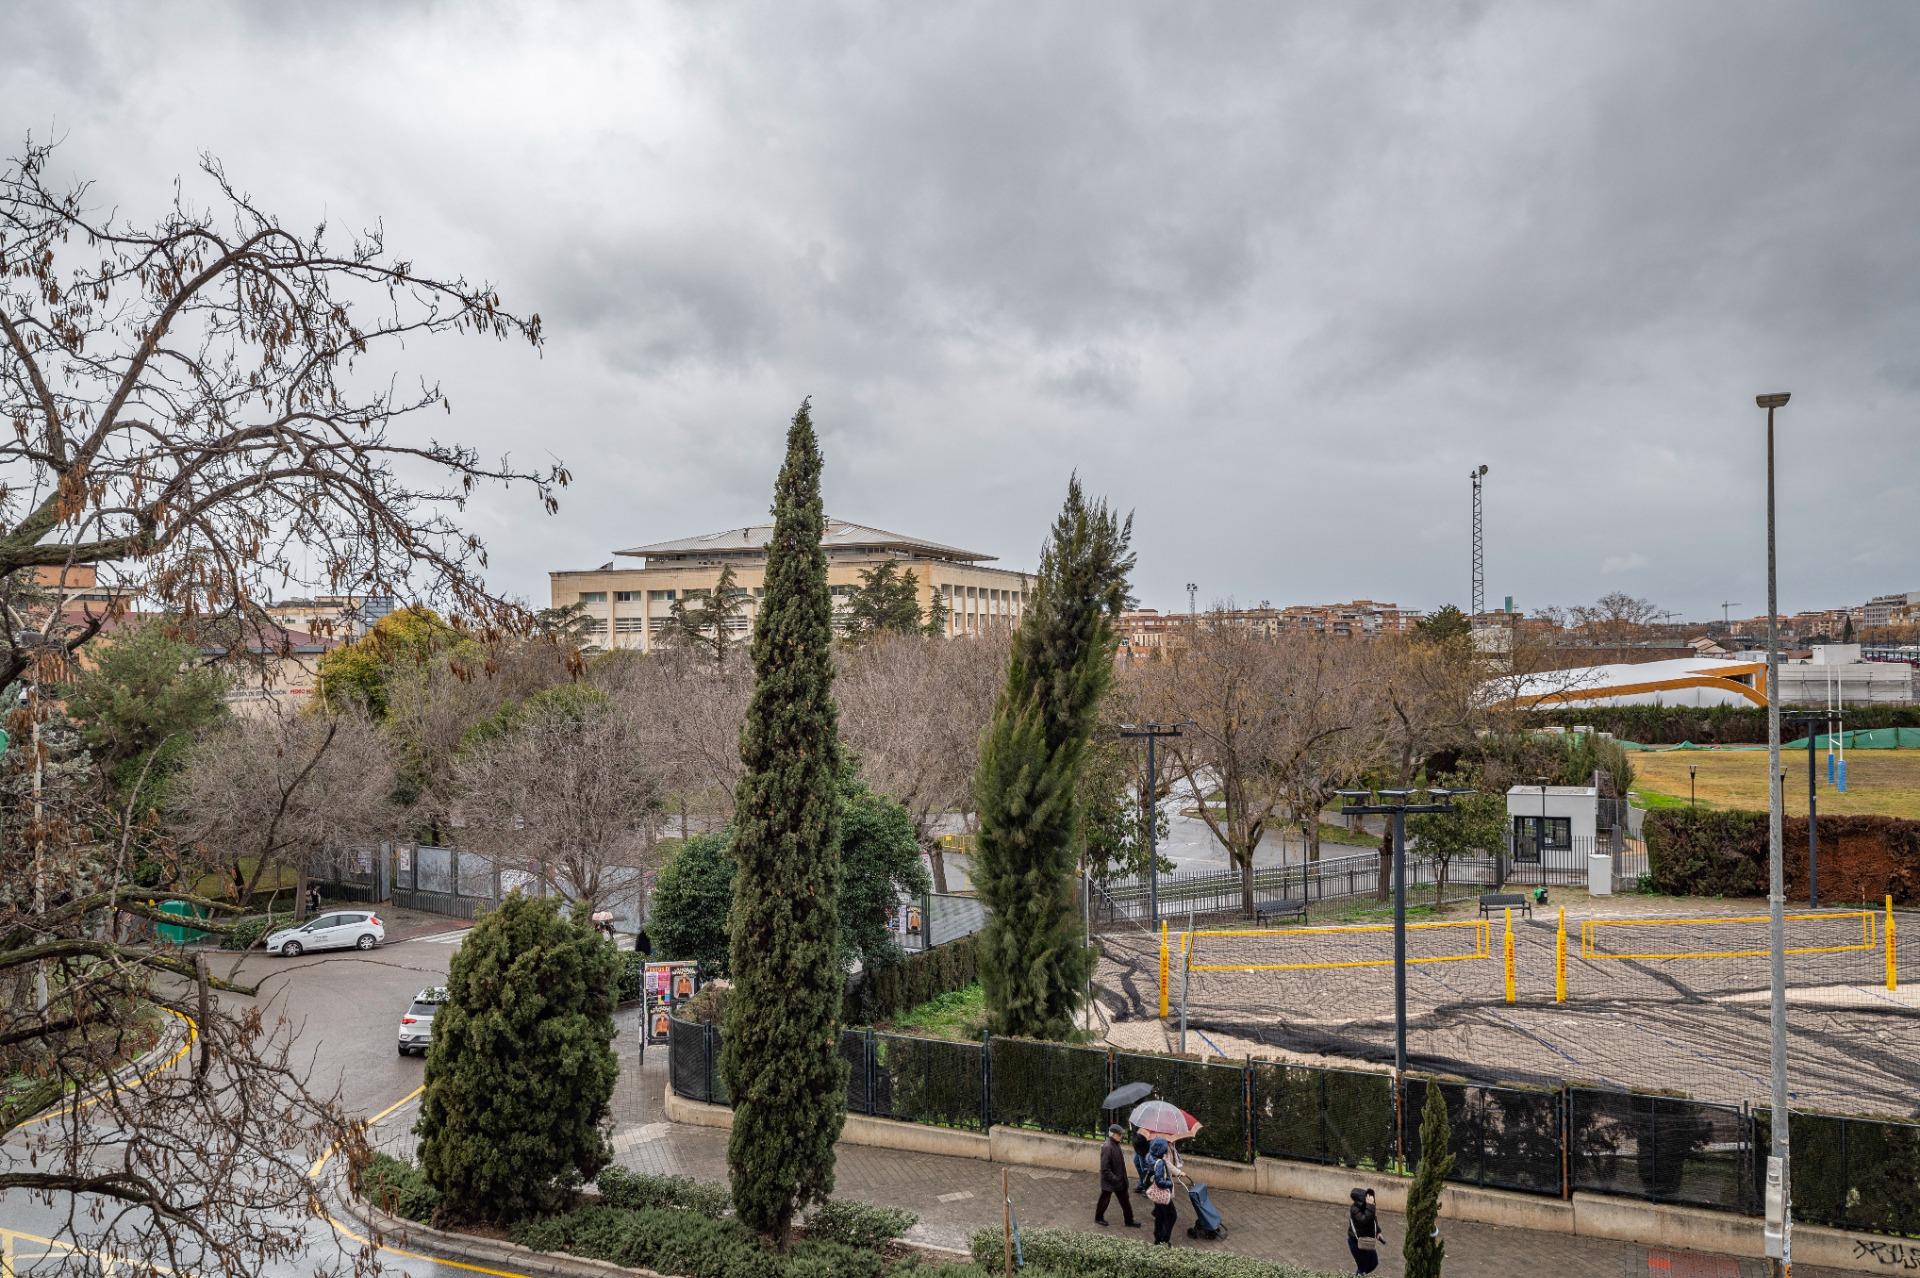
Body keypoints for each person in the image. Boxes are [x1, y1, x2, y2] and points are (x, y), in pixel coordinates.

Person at [1094, 1124, 1140, 1228]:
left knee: (1125, 1201)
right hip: (1110, 1182)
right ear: (1113, 1135)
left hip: (1119, 1181)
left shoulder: (1115, 1143)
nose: (1121, 1136)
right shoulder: (1107, 1147)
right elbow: (1105, 1169)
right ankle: (1098, 1218)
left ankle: (1129, 1221)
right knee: (1104, 1201)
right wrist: (1115, 1179)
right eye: (1119, 1134)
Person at [1146, 1136, 1180, 1246]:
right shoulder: (1160, 1162)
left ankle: (1157, 1238)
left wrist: (1177, 1172)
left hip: (1156, 1193)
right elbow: (1160, 1181)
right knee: (1171, 1215)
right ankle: (1164, 1240)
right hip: (1162, 1193)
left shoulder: (1150, 1156)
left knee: (1160, 1215)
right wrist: (1169, 1183)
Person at [1347, 1187, 1385, 1274]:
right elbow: (1364, 1220)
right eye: (1367, 1197)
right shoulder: (1355, 1209)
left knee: (1373, 1263)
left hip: (1368, 1240)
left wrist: (1378, 1232)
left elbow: (1373, 1219)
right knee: (1363, 1267)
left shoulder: (1367, 1208)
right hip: (1357, 1242)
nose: (1371, 1199)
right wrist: (1370, 1206)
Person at [1131, 1126, 1153, 1193]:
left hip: (1143, 1150)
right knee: (1137, 1163)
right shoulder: (1136, 1121)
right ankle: (1142, 1184)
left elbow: (1142, 1137)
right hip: (1138, 1149)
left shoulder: (1145, 1123)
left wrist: (1135, 1139)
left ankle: (1147, 1187)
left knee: (1145, 1169)